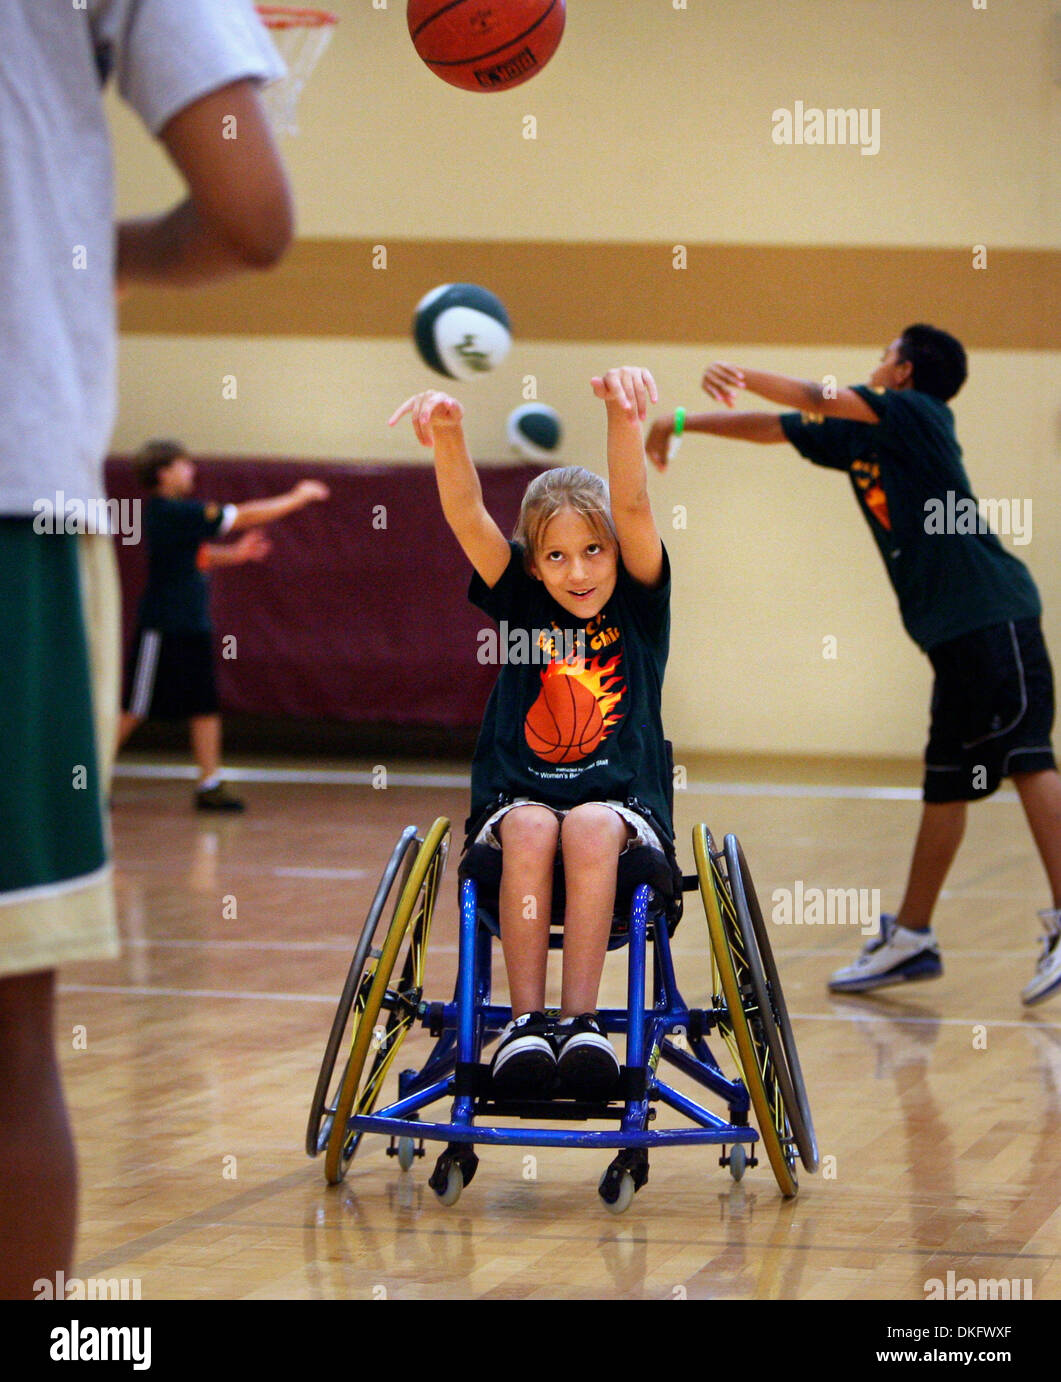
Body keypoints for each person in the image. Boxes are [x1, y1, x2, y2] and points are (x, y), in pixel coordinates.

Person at [0, 0, 294, 1301]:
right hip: (13, 516)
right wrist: (80, 259)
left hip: (147, 595)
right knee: (9, 1051)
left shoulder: (183, 512)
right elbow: (250, 215)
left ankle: (202, 777)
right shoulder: (167, 506)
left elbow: (238, 535)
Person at [645, 324, 1061, 1006]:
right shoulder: (865, 436)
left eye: (884, 355)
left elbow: (817, 393)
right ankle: (913, 937)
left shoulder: (915, 414)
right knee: (946, 783)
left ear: (901, 373)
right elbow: (782, 426)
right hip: (954, 637)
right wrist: (683, 420)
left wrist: (738, 370)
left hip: (992, 619)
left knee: (1027, 757)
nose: (876, 363)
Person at [389, 367, 673, 1096]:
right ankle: (525, 1024)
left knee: (582, 825)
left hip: (621, 808)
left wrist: (617, 413)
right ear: (533, 563)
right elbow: (464, 515)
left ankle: (578, 1023)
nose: (576, 572)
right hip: (518, 798)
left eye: (592, 551)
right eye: (555, 555)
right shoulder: (520, 599)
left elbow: (633, 502)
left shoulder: (638, 603)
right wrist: (448, 435)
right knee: (531, 829)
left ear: (615, 551)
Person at [118, 440, 329, 811]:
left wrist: (235, 554)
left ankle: (209, 784)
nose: (192, 471)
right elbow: (243, 516)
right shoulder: (169, 511)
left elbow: (195, 555)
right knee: (134, 707)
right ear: (164, 473)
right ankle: (86, 781)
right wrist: (298, 497)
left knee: (204, 706)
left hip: (192, 626)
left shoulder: (176, 516)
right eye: (184, 466)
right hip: (163, 626)